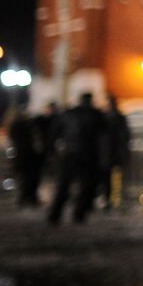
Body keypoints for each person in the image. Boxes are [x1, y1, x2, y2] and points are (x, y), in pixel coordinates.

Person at [47, 92, 105, 225]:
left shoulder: (69, 114)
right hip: (87, 155)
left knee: (65, 185)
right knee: (85, 186)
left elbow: (54, 133)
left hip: (71, 153)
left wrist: (53, 152)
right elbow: (103, 137)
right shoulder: (95, 115)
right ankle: (78, 214)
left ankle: (56, 215)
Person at [100, 95, 131, 210]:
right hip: (114, 152)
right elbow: (126, 135)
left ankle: (111, 199)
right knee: (114, 177)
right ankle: (114, 199)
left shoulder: (105, 117)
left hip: (110, 152)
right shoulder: (118, 117)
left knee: (108, 178)